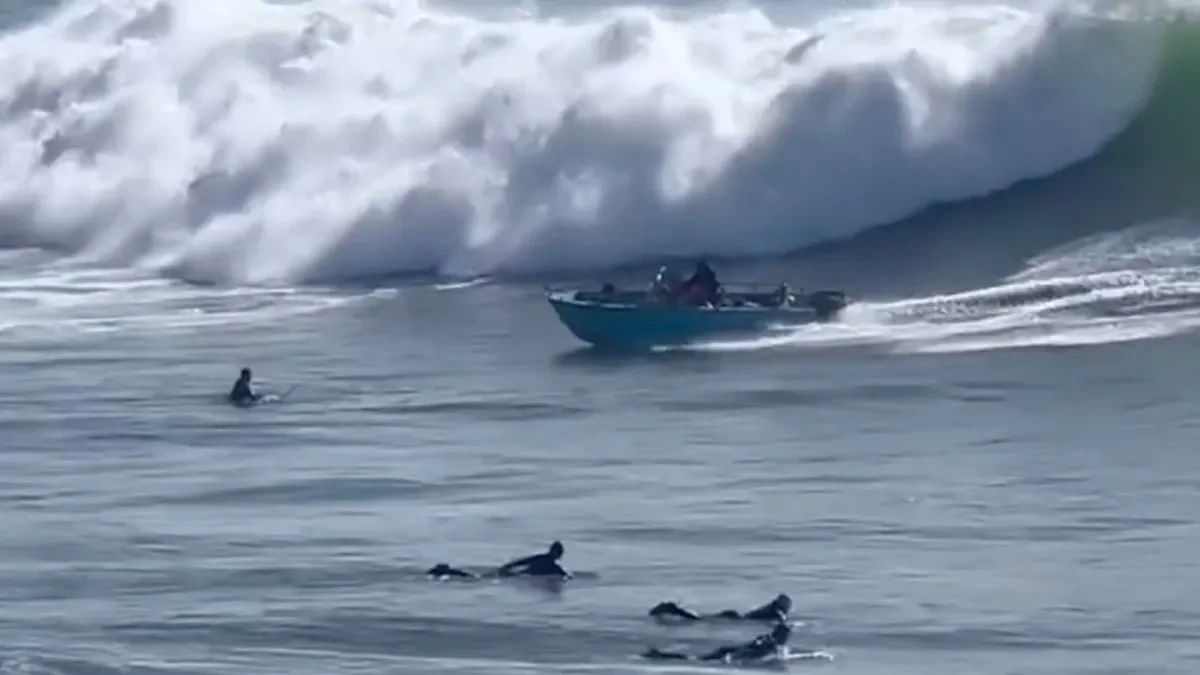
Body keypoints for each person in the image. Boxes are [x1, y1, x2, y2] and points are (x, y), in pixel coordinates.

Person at [642, 621, 792, 662]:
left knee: (696, 659)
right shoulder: (769, 644)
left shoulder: (769, 642)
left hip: (729, 651)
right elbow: (749, 651)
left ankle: (660, 655)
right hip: (728, 653)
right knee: (696, 660)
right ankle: (659, 655)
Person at [649, 593, 791, 623]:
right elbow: (779, 616)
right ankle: (675, 609)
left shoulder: (775, 609)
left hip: (740, 617)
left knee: (701, 620)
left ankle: (676, 610)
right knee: (701, 621)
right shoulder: (776, 611)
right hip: (739, 619)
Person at [495, 540, 570, 579]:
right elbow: (565, 576)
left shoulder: (540, 557)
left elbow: (522, 561)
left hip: (524, 574)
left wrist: (507, 566)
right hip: (527, 575)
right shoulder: (554, 567)